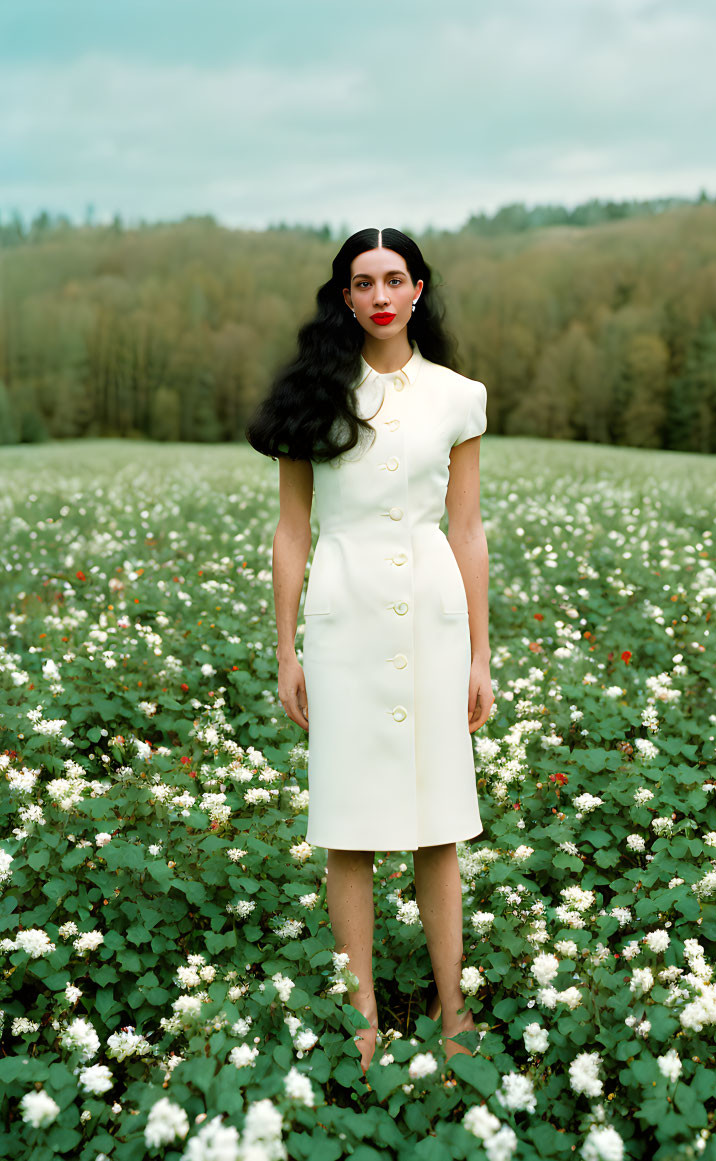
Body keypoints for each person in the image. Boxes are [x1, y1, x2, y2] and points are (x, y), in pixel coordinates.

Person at [245, 227, 494, 1075]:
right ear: (343, 296)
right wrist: (286, 650)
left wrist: (479, 654)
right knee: (348, 825)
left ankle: (450, 1002)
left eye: (395, 279)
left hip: (432, 613)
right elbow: (289, 533)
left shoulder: (459, 397)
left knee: (439, 826)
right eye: (363, 281)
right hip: (343, 615)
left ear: (419, 288)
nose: (380, 295)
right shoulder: (315, 393)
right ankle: (361, 1010)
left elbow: (465, 528)